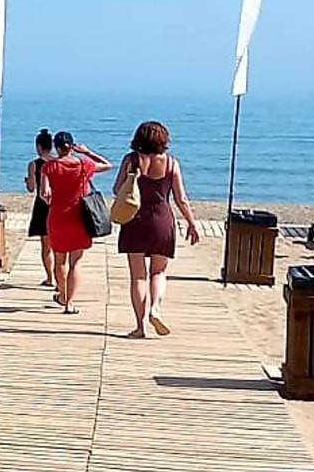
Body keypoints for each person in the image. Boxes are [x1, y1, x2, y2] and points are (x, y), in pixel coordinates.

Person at [115, 119, 199, 337]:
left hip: (135, 219)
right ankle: (155, 309)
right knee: (158, 271)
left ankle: (139, 327)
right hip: (162, 219)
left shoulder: (130, 160)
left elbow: (117, 189)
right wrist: (191, 222)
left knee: (138, 276)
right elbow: (181, 199)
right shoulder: (171, 163)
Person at [39, 131, 112, 313]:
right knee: (75, 263)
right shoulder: (84, 164)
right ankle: (69, 303)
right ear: (72, 147)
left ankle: (62, 295)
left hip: (57, 217)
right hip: (79, 217)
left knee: (60, 261)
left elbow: (44, 193)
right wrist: (87, 152)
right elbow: (107, 165)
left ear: (56, 147)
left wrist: (52, 199)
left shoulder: (49, 167)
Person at [24, 130, 57, 288]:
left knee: (46, 245)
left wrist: (27, 182)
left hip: (42, 205)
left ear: (38, 146)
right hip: (58, 203)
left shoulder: (34, 164)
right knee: (59, 246)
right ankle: (60, 278)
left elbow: (31, 188)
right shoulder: (58, 162)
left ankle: (50, 277)